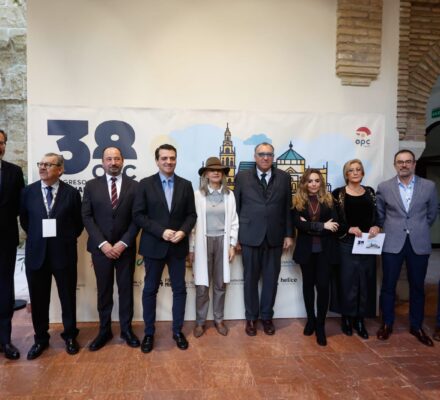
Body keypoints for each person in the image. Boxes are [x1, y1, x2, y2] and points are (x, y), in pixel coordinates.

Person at [133, 144, 196, 352]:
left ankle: (177, 331)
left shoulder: (186, 185)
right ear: (157, 161)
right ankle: (149, 333)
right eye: (164, 158)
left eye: (172, 158)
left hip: (178, 246)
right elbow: (138, 215)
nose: (169, 162)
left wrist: (183, 231)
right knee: (150, 290)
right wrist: (161, 231)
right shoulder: (145, 184)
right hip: (154, 245)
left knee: (180, 290)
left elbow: (191, 215)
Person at [20, 153, 83, 359]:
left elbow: (78, 224)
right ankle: (40, 339)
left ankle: (70, 336)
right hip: (36, 254)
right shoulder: (28, 192)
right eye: (41, 164)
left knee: (67, 297)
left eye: (48, 164)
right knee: (38, 300)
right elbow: (25, 221)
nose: (42, 167)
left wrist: (63, 239)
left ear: (60, 169)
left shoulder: (72, 193)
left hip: (63, 254)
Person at [376, 149, 438, 347]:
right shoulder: (384, 187)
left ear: (414, 164)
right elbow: (380, 214)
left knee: (418, 287)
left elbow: (432, 213)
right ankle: (387, 323)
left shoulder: (428, 186)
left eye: (408, 161)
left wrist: (417, 228)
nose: (404, 165)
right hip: (392, 243)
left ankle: (416, 326)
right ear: (395, 165)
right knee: (388, 285)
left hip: (418, 243)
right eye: (400, 162)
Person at [82, 147, 140, 351]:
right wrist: (103, 244)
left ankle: (126, 330)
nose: (113, 162)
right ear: (102, 162)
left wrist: (123, 243)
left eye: (116, 158)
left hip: (125, 249)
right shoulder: (91, 186)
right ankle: (104, 331)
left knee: (126, 291)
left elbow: (137, 218)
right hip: (101, 250)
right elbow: (87, 217)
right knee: (104, 291)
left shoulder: (135, 186)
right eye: (109, 159)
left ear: (123, 161)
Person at [234, 142, 293, 336]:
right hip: (249, 236)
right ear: (255, 156)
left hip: (275, 237)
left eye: (269, 154)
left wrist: (288, 234)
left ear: (273, 157)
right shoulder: (242, 177)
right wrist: (236, 237)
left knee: (271, 280)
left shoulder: (284, 177)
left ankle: (267, 317)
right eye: (261, 154)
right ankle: (251, 318)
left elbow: (288, 208)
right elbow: (236, 208)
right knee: (250, 280)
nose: (265, 157)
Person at [189, 157, 239, 337]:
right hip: (202, 243)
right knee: (202, 285)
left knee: (220, 284)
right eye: (212, 170)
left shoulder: (229, 195)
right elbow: (192, 225)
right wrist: (192, 248)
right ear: (206, 174)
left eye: (219, 170)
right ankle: (200, 322)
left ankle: (219, 319)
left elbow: (234, 221)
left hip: (222, 242)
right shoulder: (198, 195)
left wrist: (232, 244)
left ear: (223, 174)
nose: (216, 172)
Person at [331, 159, 379, 339]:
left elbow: (377, 216)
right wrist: (349, 228)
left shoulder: (370, 192)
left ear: (363, 173)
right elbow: (334, 219)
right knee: (347, 282)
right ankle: (346, 317)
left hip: (368, 243)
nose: (356, 172)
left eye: (358, 169)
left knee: (365, 282)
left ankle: (360, 320)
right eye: (351, 170)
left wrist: (376, 226)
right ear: (346, 174)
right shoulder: (338, 194)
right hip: (346, 243)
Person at [292, 169, 338, 346]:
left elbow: (334, 225)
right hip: (306, 251)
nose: (313, 184)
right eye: (310, 181)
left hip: (325, 252)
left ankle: (320, 325)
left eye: (317, 181)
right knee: (308, 286)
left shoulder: (329, 200)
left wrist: (310, 225)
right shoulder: (297, 201)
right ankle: (310, 320)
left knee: (323, 287)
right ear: (304, 183)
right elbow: (298, 224)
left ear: (321, 183)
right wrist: (322, 226)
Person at [0, 129, 25, 360]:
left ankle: (5, 341)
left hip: (5, 241)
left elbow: (20, 206)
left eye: (1, 142)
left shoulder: (14, 172)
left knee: (5, 291)